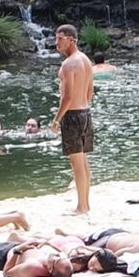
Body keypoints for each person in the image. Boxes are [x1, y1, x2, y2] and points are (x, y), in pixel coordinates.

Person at [53, 25, 96, 214]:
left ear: (72, 39)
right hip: (85, 112)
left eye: (60, 39)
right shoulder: (85, 60)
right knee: (83, 161)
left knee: (77, 164)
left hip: (73, 115)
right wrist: (83, 106)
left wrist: (56, 120)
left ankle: (81, 206)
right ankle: (85, 204)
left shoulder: (69, 64)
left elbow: (68, 97)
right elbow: (90, 91)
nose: (56, 43)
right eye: (56, 38)